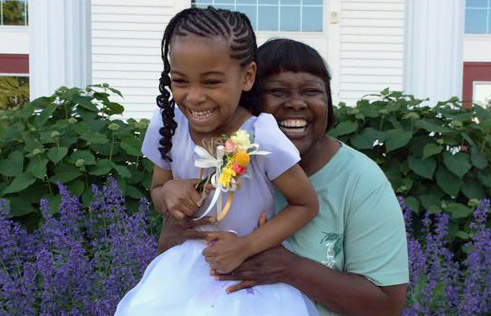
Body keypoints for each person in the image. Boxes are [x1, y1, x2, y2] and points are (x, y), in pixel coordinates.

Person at [158, 38, 409, 316]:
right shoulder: (218, 161)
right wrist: (172, 235)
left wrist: (290, 268)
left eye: (312, 91)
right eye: (277, 91)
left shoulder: (360, 180)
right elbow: (175, 272)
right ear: (247, 99)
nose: (297, 103)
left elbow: (387, 304)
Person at [114, 8, 319, 316]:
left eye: (211, 82)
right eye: (181, 81)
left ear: (247, 76)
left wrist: (247, 246)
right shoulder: (169, 124)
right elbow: (157, 190)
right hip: (181, 274)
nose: (194, 97)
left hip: (247, 274)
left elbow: (305, 204)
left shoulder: (261, 135)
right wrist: (167, 192)